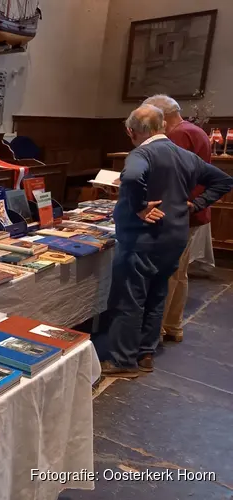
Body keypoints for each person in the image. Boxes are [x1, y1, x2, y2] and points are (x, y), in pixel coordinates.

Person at [97, 104, 233, 378]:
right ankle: (146, 353)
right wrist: (194, 205)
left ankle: (123, 361)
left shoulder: (141, 153)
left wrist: (138, 207)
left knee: (130, 298)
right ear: (162, 126)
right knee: (157, 294)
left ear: (130, 131)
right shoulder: (184, 155)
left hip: (141, 239)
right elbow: (223, 180)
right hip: (174, 236)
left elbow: (134, 177)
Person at [142, 95, 212, 343]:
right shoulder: (196, 131)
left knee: (166, 273)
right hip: (190, 212)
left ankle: (156, 329)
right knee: (179, 272)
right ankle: (173, 325)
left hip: (175, 214)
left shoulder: (177, 136)